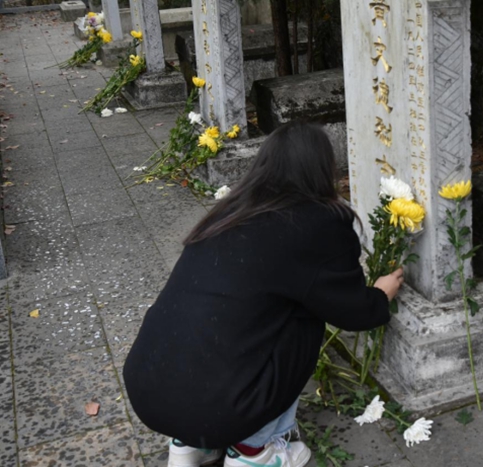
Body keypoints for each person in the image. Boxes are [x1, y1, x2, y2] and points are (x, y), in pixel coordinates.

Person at [123, 121, 404, 467]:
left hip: (148, 389)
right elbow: (349, 309)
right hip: (218, 408)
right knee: (306, 317)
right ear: (322, 168)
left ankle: (191, 444)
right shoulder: (319, 223)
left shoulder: (229, 213)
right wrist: (379, 295)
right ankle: (254, 450)